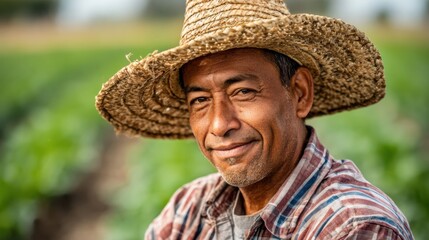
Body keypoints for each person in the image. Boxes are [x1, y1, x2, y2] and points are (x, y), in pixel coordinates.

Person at [96, 0, 414, 239]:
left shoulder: (350, 226)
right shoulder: (190, 209)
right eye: (200, 100)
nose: (219, 124)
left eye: (244, 92)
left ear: (300, 93)